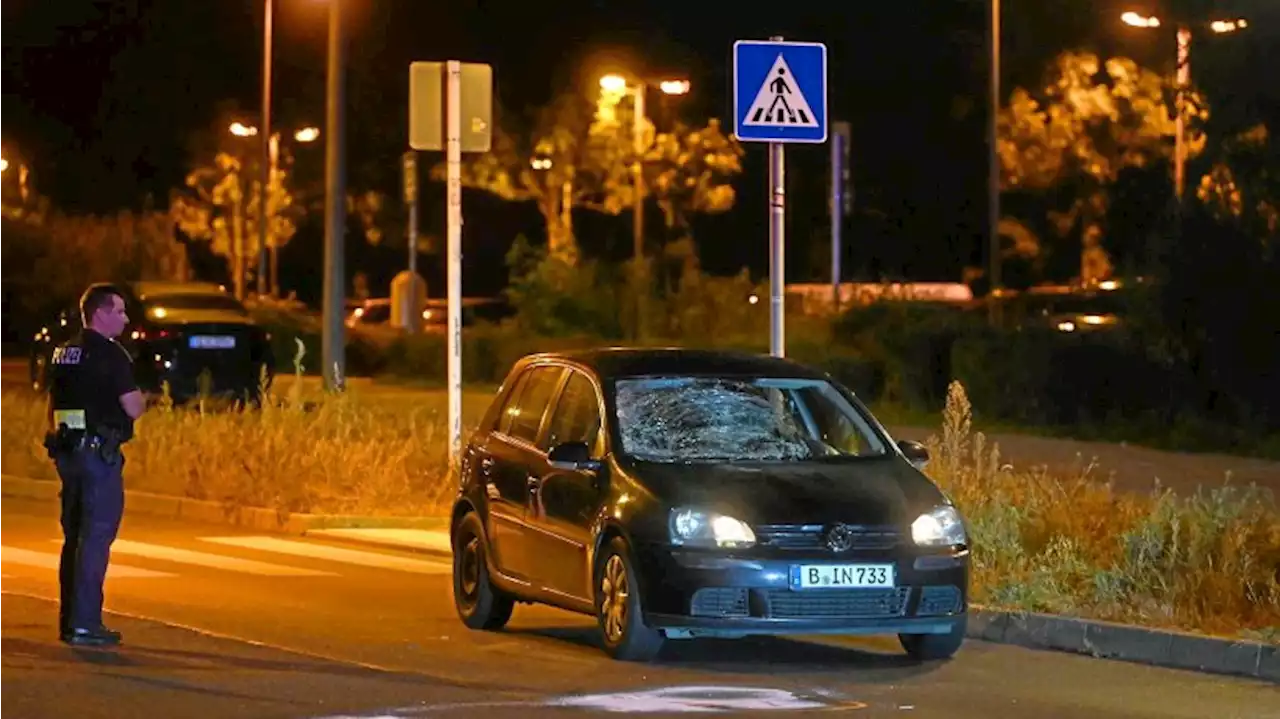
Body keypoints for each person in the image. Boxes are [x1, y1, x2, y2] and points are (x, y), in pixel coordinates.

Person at [43, 283, 146, 646]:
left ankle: (70, 622)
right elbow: (132, 406)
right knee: (96, 538)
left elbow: (53, 401)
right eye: (119, 311)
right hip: (97, 455)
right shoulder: (110, 354)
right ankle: (86, 623)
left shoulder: (63, 352)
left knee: (74, 538)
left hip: (68, 452)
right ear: (100, 313)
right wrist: (141, 400)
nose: (125, 318)